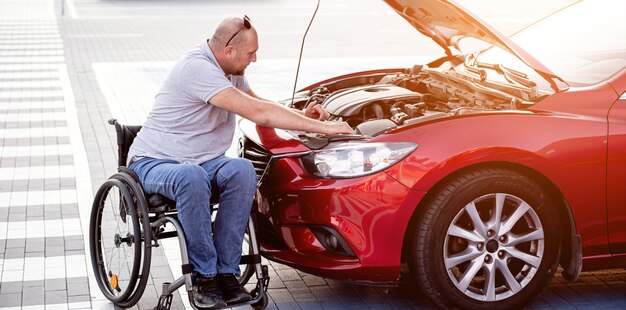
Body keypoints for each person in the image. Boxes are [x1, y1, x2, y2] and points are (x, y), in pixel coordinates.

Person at [127, 16, 352, 308]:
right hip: (156, 162)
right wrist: (328, 129)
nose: (255, 59)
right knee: (191, 177)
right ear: (229, 50)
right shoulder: (198, 68)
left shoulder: (230, 71)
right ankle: (204, 277)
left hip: (201, 162)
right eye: (251, 53)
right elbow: (260, 113)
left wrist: (305, 117)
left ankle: (227, 273)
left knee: (242, 170)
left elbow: (261, 104)